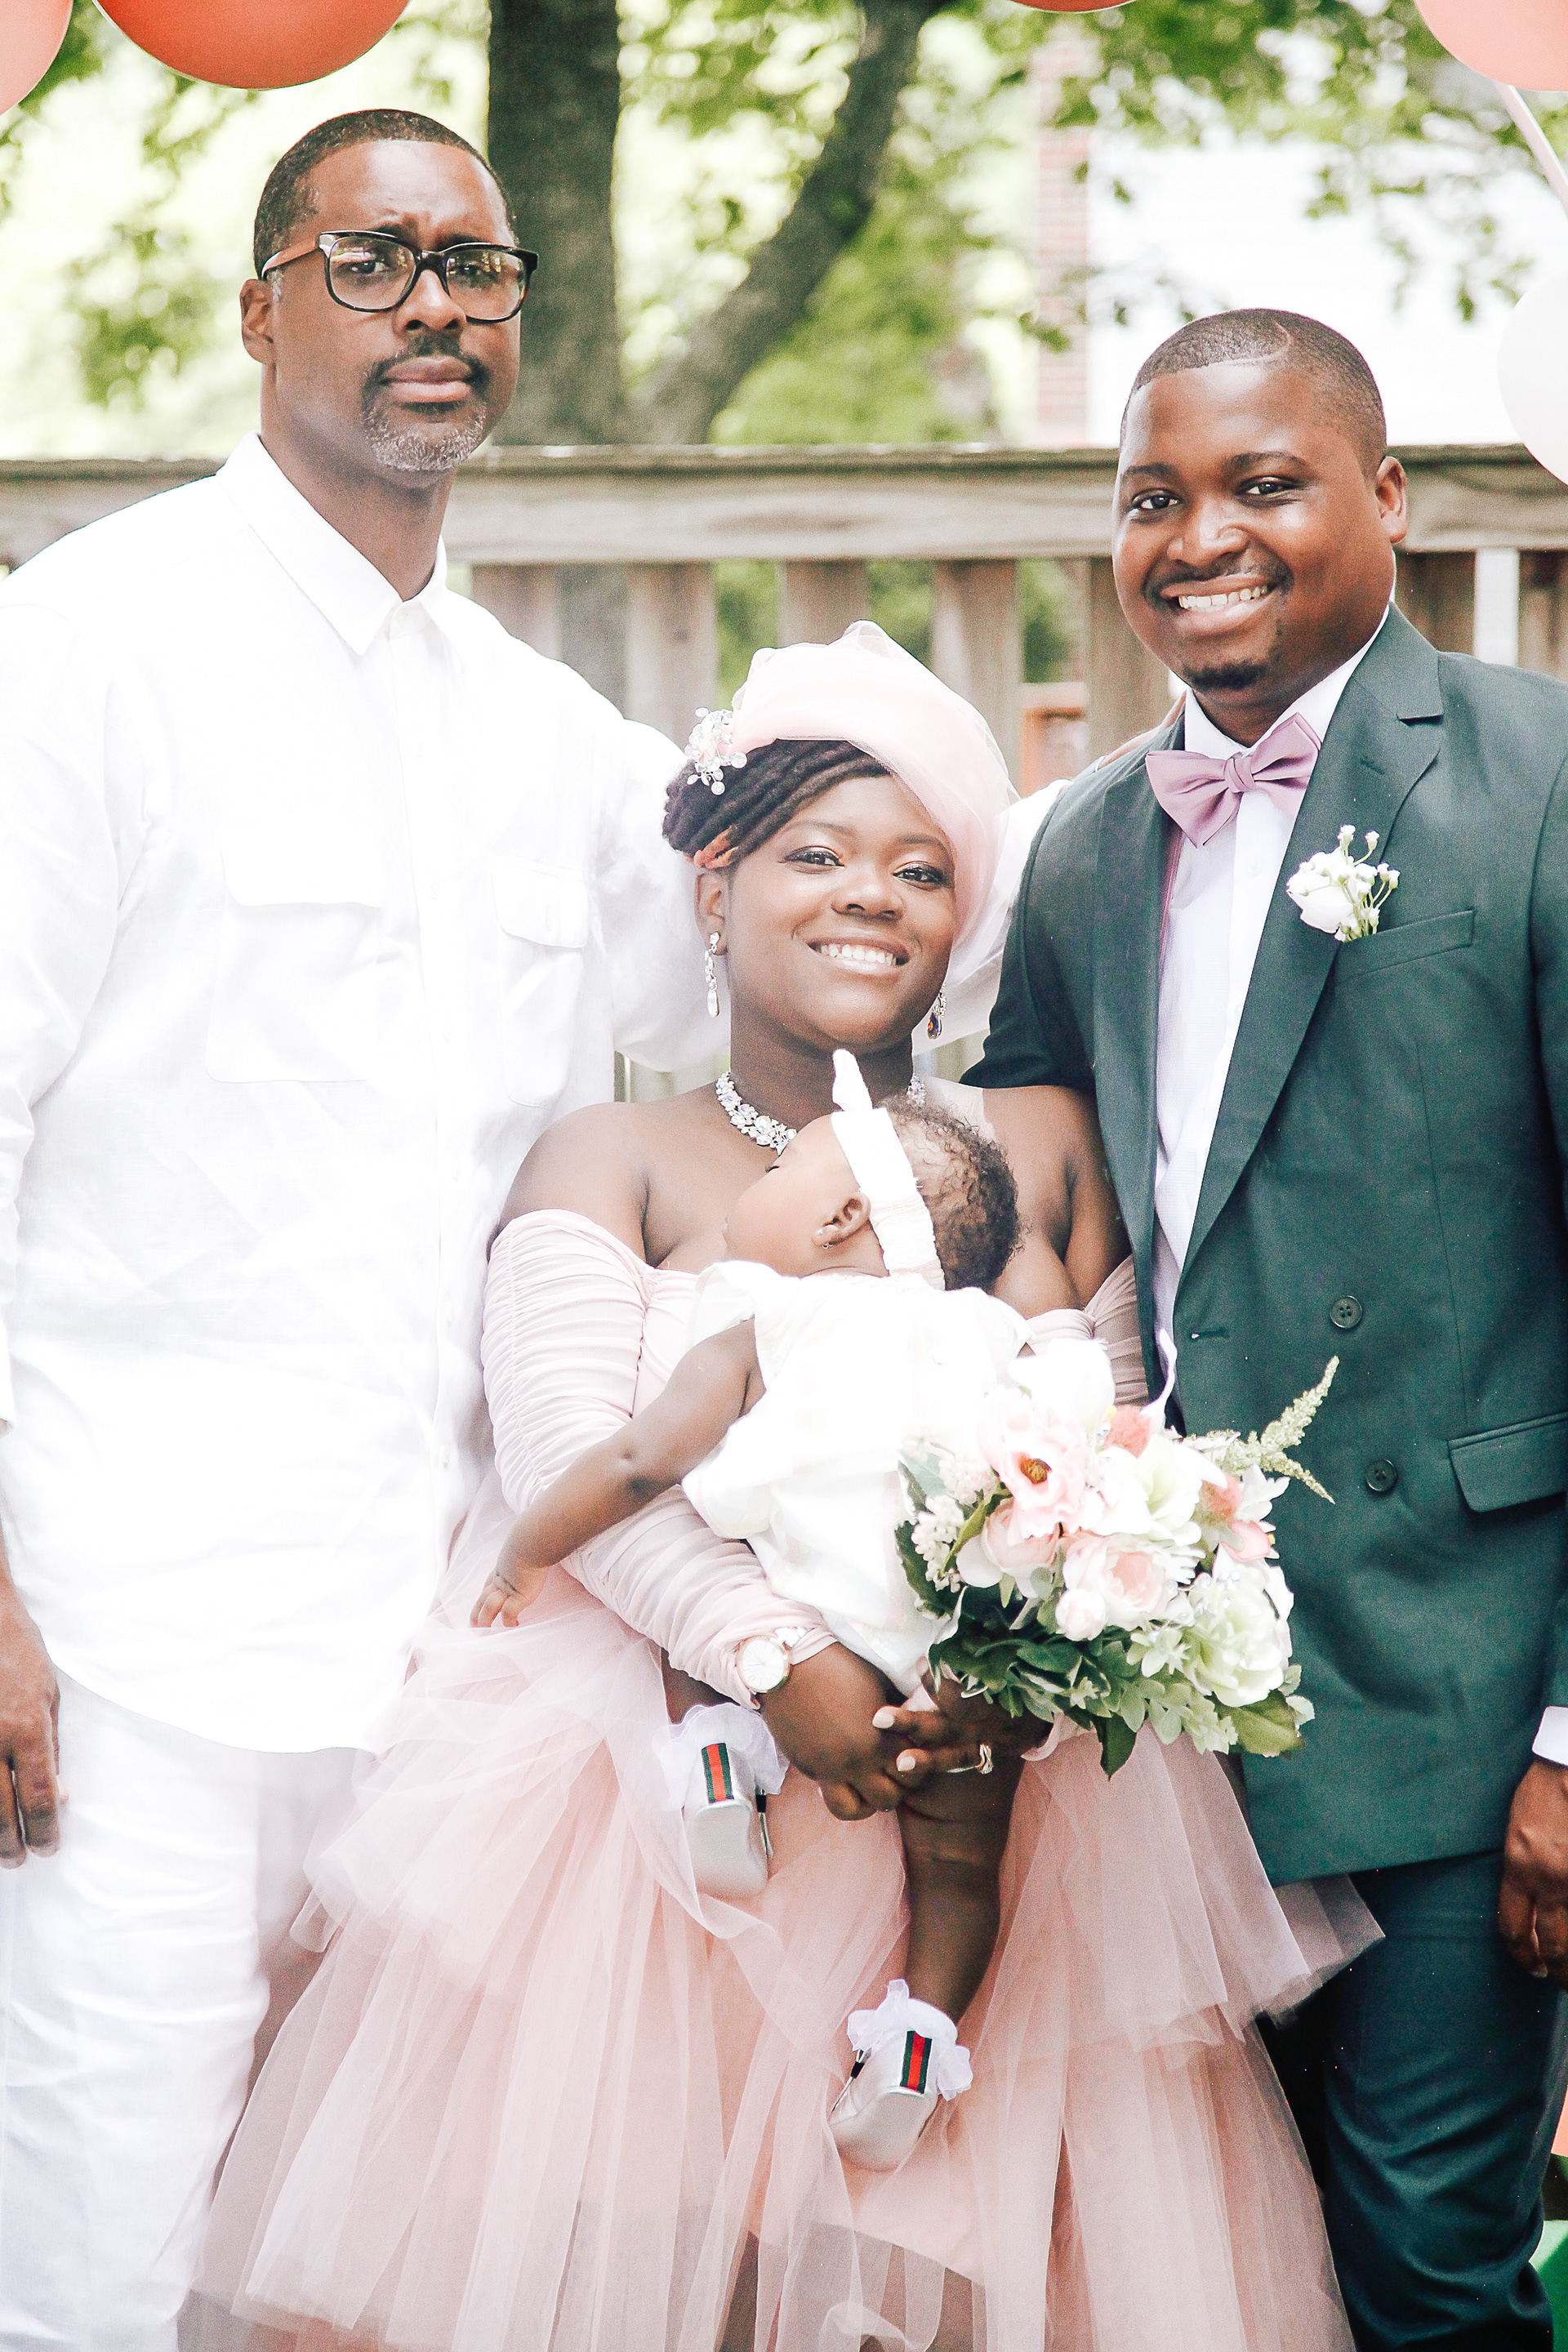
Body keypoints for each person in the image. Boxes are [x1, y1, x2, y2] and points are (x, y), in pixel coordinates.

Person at [202, 623, 1358, 2352]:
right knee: (641, 2255)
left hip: (992, 1795)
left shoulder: (1028, 1153)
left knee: (951, 2270)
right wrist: (774, 1656)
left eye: (920, 870)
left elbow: (1114, 1440)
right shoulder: (614, 1152)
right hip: (651, 1820)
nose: (869, 896)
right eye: (817, 854)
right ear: (715, 883)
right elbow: (570, 1452)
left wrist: (1024, 1666)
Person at [0, 109, 711, 2349]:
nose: (434, 309)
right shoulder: (84, 648)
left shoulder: (548, 733)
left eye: (475, 270)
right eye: (374, 260)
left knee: (370, 2281)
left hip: (452, 1663)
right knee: (107, 2251)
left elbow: (766, 1009)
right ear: (260, 309)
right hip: (129, 1640)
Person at [973, 305, 1568, 2350]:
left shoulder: (1542, 778)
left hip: (1461, 1713)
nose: (1200, 536)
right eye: (1154, 497)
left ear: (1386, 497)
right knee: (1206, 2288)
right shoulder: (1083, 845)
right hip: (1162, 1744)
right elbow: (1041, 1251)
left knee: (1424, 2285)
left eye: (1263, 483)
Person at [486, 1062, 1030, 2168]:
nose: (759, 1182)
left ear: (838, 1218)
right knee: (963, 1866)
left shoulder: (760, 1315)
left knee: (714, 1540)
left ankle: (721, 1775)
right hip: (949, 1662)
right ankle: (919, 2041)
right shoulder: (992, 1338)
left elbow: (640, 1463)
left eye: (783, 1170)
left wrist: (526, 1548)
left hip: (801, 1611)